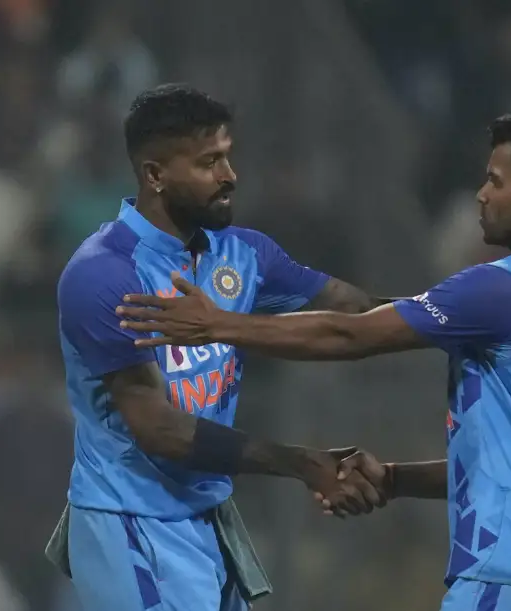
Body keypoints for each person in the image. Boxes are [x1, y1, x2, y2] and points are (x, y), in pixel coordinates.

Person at [117, 108, 511, 611]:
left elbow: (350, 333)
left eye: (494, 181)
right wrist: (393, 478)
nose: (480, 194)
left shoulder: (505, 287)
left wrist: (219, 325)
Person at [54, 83, 401, 611]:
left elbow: (356, 311)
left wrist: (458, 318)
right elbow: (161, 430)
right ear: (154, 175)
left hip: (207, 519)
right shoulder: (104, 273)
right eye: (208, 162)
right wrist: (301, 462)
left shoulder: (244, 254)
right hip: (131, 524)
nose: (229, 176)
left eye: (227, 158)